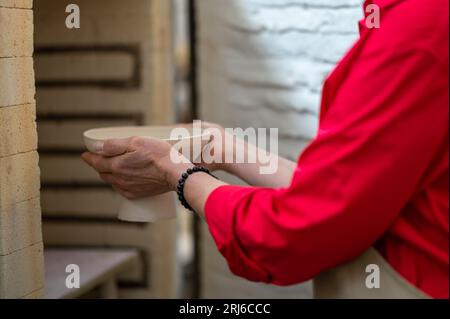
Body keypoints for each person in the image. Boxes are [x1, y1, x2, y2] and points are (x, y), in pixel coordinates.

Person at [82, 0, 449, 298]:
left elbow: (299, 231)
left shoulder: (419, 25)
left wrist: (178, 175)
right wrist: (224, 149)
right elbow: (343, 194)